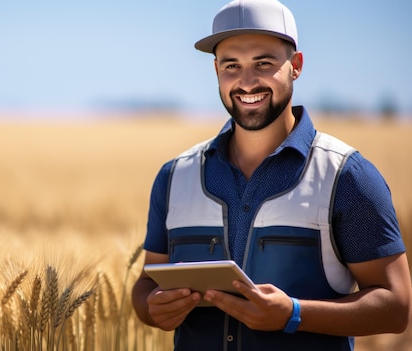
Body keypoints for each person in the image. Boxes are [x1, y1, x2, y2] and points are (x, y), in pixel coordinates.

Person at [131, 0, 411, 350]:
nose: (247, 82)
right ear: (216, 70)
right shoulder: (175, 177)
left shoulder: (347, 176)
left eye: (263, 63)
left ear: (296, 66)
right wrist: (152, 307)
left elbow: (396, 307)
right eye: (232, 65)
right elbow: (145, 286)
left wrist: (294, 314)